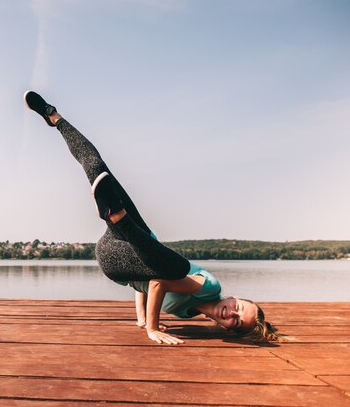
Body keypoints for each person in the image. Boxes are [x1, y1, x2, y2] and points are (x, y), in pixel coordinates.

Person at [24, 90, 279, 345]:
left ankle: (117, 217)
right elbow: (155, 282)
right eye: (238, 307)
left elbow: (152, 281)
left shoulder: (186, 312)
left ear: (227, 329)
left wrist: (144, 318)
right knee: (96, 167)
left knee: (169, 266)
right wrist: (150, 327)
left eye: (236, 321)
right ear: (234, 297)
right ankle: (54, 116)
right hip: (126, 239)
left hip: (119, 260)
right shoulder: (210, 287)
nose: (232, 313)